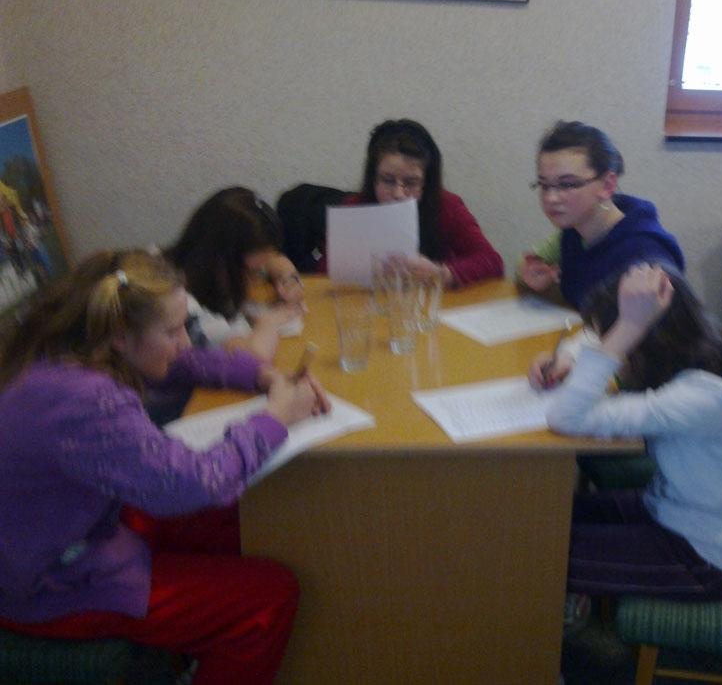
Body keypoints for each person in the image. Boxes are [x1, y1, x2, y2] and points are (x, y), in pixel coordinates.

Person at [0, 249, 330, 685]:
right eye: (173, 331)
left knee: (238, 520)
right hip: (46, 582)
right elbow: (191, 483)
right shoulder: (85, 400)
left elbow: (184, 363)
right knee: (271, 597)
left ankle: (197, 649)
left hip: (73, 530)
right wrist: (275, 420)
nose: (185, 342)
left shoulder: (74, 345)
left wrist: (264, 377)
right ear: (121, 334)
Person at [532, 263, 722, 610]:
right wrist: (569, 356)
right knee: (546, 515)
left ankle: (559, 617)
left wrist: (627, 327)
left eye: (620, 339)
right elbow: (594, 336)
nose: (615, 352)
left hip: (707, 557)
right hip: (675, 509)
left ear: (643, 339)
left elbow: (565, 417)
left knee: (534, 555)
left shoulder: (707, 398)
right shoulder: (709, 350)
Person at [518, 121, 685, 309]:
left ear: (607, 185)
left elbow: (658, 325)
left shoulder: (644, 256)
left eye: (567, 184)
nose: (551, 198)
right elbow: (526, 266)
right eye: (544, 185)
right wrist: (534, 276)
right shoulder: (574, 230)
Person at [323, 118, 504, 287]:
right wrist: (362, 269)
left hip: (431, 304)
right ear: (373, 179)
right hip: (368, 302)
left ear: (426, 183)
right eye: (388, 180)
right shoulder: (356, 208)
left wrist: (441, 273)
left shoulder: (446, 206)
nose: (398, 193)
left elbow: (492, 261)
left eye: (410, 183)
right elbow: (324, 271)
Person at [165, 187, 302, 363]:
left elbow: (275, 260)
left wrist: (287, 277)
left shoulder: (191, 264)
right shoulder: (184, 305)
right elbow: (251, 359)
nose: (255, 279)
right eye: (253, 272)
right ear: (219, 258)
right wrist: (271, 321)